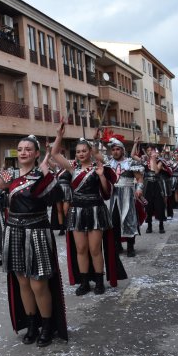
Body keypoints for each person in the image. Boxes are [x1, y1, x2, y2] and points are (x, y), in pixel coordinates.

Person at [0, 135, 67, 348]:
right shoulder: (11, 174)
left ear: (36, 154)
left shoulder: (42, 174)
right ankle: (32, 324)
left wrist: (48, 166)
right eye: (20, 148)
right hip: (15, 232)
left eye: (28, 149)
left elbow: (55, 196)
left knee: (38, 283)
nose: (23, 152)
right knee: (23, 282)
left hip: (37, 232)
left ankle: (47, 326)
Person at [51, 124, 120, 295]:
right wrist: (59, 136)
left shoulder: (97, 168)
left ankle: (98, 281)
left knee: (95, 249)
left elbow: (106, 192)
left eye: (84, 151)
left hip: (95, 210)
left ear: (90, 152)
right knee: (80, 249)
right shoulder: (72, 168)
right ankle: (84, 282)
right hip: (77, 212)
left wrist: (102, 175)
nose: (81, 154)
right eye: (78, 151)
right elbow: (54, 154)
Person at [106, 137, 144, 257]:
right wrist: (96, 140)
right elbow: (96, 154)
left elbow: (139, 178)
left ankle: (130, 246)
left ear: (122, 150)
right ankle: (117, 245)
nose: (115, 152)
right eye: (113, 150)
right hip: (113, 196)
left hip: (127, 195)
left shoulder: (130, 162)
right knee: (114, 220)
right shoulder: (109, 163)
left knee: (128, 220)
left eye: (118, 149)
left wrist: (138, 189)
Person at [143, 144, 167, 233]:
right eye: (148, 150)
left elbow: (156, 171)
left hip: (157, 184)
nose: (150, 152)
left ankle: (161, 225)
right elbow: (133, 156)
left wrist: (153, 159)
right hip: (148, 185)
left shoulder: (160, 161)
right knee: (148, 205)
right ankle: (149, 226)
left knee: (159, 205)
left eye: (151, 150)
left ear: (155, 151)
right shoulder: (145, 161)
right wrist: (135, 144)